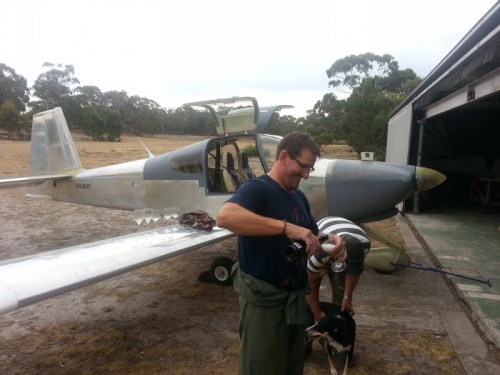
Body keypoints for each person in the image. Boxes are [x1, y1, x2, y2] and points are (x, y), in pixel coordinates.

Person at [216, 132, 347, 375]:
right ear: (284, 157)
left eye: (310, 169)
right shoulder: (257, 189)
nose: (306, 175)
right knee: (261, 367)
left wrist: (333, 241)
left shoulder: (298, 197)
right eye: (303, 166)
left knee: (291, 366)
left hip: (294, 302)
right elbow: (225, 217)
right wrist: (286, 227)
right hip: (264, 304)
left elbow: (312, 235)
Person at [306, 216, 371, 321]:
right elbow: (309, 284)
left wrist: (347, 298)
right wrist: (317, 312)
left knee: (340, 297)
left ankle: (337, 322)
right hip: (324, 244)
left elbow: (354, 272)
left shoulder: (364, 244)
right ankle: (310, 325)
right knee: (308, 301)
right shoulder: (319, 252)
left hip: (341, 240)